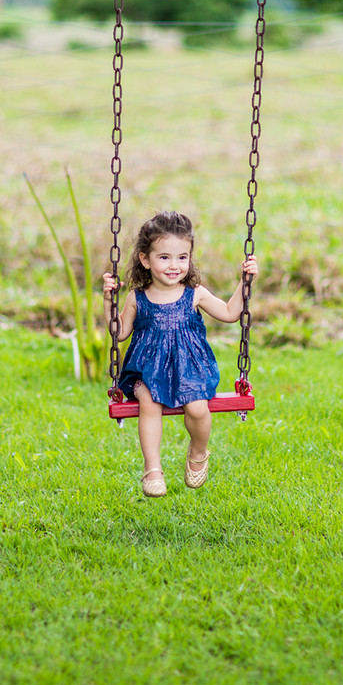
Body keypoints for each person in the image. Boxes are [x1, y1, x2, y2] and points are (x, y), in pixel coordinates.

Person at [103, 211, 258, 497]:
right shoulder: (137, 297)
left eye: (182, 257)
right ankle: (152, 469)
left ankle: (198, 454)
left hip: (190, 368)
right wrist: (108, 302)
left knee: (198, 409)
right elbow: (119, 333)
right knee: (148, 400)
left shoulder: (194, 293)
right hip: (147, 370)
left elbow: (230, 313)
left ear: (189, 258)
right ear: (145, 260)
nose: (174, 265)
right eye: (164, 257)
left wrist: (244, 282)